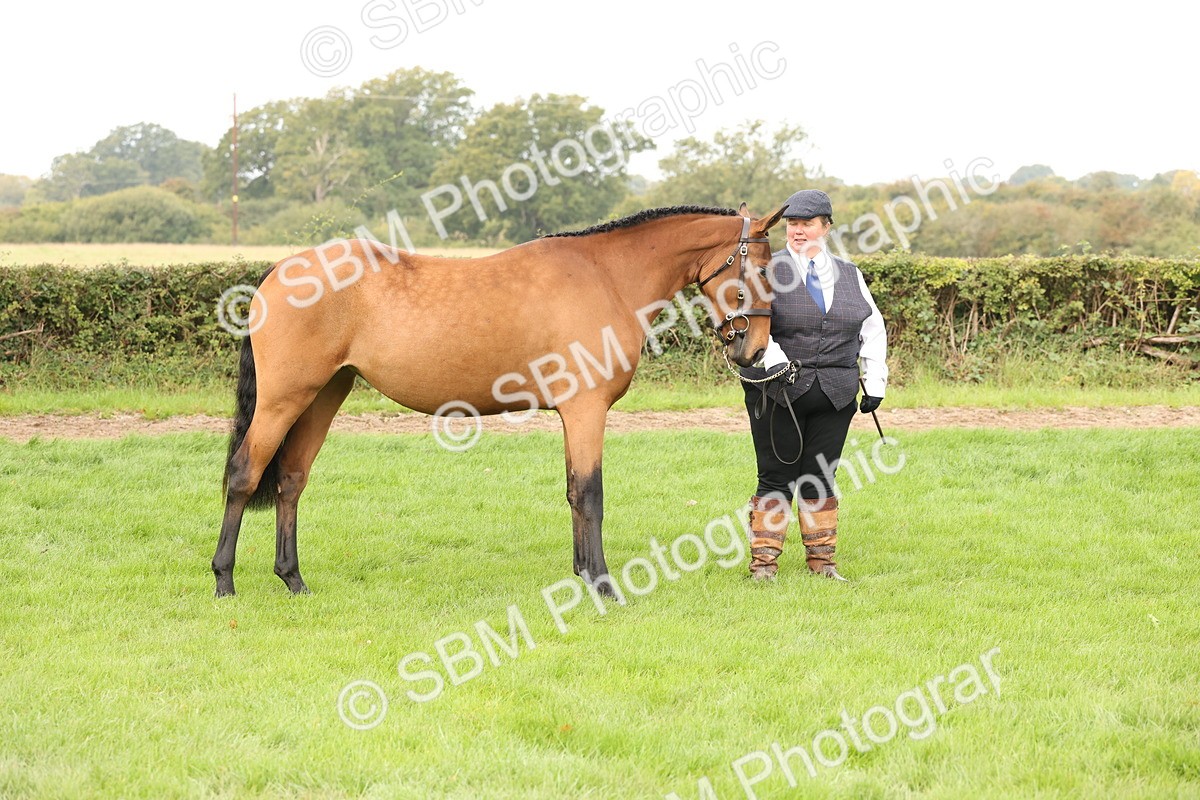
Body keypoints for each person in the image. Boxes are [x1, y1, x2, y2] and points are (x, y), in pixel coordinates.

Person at [739, 189, 888, 582]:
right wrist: (778, 363)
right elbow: (751, 328)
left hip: (836, 393)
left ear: (826, 227)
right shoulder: (766, 270)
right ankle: (764, 566)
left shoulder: (850, 273)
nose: (798, 231)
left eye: (806, 224)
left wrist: (875, 381)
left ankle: (822, 563)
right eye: (792, 225)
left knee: (822, 475)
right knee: (774, 476)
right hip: (777, 393)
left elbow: (872, 328)